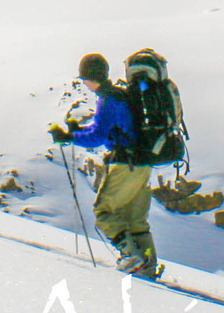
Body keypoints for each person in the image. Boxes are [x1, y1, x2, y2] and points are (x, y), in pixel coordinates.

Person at [50, 53, 159, 277]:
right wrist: (77, 131)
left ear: (91, 78)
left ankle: (131, 256)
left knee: (103, 211)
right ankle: (148, 264)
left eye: (84, 78)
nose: (83, 83)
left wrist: (70, 138)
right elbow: (105, 128)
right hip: (143, 163)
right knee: (136, 220)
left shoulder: (108, 100)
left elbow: (99, 136)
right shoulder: (120, 95)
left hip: (126, 163)